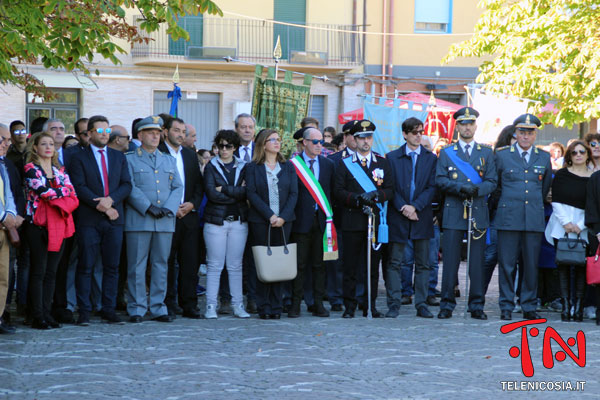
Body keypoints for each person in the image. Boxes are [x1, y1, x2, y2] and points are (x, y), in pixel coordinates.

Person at [69, 115, 133, 325]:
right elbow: (79, 186)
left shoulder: (118, 157)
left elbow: (126, 185)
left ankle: (108, 309)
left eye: (107, 131)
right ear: (89, 133)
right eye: (100, 131)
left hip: (115, 219)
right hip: (89, 219)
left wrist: (111, 200)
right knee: (86, 266)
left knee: (112, 267)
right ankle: (84, 311)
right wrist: (104, 207)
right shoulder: (78, 157)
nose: (105, 135)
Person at [435, 107, 497, 320]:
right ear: (458, 127)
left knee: (477, 262)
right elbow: (440, 180)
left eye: (470, 123)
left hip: (477, 211)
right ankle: (446, 304)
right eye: (463, 124)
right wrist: (460, 188)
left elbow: (492, 181)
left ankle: (477, 304)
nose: (467, 127)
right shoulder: (446, 153)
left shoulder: (486, 152)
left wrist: (477, 190)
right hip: (454, 211)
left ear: (475, 126)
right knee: (450, 261)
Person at [124, 116, 183, 323]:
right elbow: (129, 185)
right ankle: (137, 307)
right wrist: (147, 207)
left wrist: (167, 208)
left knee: (161, 264)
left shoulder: (168, 159)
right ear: (140, 135)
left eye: (158, 133)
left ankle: (158, 307)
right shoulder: (129, 158)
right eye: (150, 132)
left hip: (164, 220)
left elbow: (178, 186)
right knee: (137, 266)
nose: (155, 136)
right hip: (139, 219)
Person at [334, 120, 393, 318]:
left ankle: (369, 304)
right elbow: (339, 191)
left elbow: (390, 189)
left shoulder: (382, 163)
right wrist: (357, 199)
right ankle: (349, 306)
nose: (365, 142)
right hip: (353, 220)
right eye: (361, 138)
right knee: (350, 266)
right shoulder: (344, 165)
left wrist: (376, 196)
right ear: (354, 140)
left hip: (375, 222)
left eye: (368, 137)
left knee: (371, 267)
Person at [495, 113, 552, 321]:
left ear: (535, 135)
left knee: (530, 265)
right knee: (507, 264)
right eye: (522, 132)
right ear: (515, 133)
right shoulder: (502, 155)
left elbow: (544, 186)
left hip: (533, 219)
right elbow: (497, 186)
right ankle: (506, 305)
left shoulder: (544, 157)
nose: (525, 136)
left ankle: (528, 304)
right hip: (509, 217)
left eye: (530, 132)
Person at [23, 132, 78, 329]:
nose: (48, 147)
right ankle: (37, 315)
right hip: (37, 226)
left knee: (51, 272)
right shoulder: (31, 168)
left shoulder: (60, 169)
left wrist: (59, 192)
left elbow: (73, 193)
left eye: (51, 144)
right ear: (35, 147)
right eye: (43, 144)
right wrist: (61, 192)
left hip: (59, 224)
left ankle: (47, 313)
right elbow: (44, 192)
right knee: (39, 271)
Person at [386, 118, 437, 318]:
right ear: (405, 134)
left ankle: (421, 304)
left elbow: (432, 187)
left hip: (421, 216)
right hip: (398, 216)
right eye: (414, 132)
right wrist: (403, 207)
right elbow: (390, 187)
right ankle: (394, 303)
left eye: (421, 132)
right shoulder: (392, 157)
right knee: (395, 262)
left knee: (423, 263)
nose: (418, 135)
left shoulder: (431, 158)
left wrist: (415, 206)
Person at [245, 129, 298, 319]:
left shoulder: (288, 166)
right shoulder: (253, 167)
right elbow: (251, 193)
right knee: (263, 263)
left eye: (279, 140)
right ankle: (263, 306)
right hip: (261, 220)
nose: (277, 143)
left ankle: (277, 306)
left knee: (279, 263)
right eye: (272, 139)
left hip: (285, 221)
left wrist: (282, 216)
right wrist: (270, 215)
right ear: (263, 143)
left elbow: (294, 194)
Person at [159, 117, 204, 319]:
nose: (180, 134)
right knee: (166, 262)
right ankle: (168, 303)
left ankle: (189, 304)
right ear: (165, 132)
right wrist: (172, 207)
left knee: (190, 262)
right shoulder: (157, 153)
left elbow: (198, 185)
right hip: (166, 215)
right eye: (176, 130)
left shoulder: (190, 155)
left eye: (183, 131)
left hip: (189, 215)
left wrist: (192, 204)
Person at [202, 130, 250, 319]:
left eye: (228, 146)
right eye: (220, 146)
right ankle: (210, 306)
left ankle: (238, 305)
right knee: (214, 265)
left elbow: (247, 193)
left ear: (235, 147)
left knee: (235, 265)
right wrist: (237, 193)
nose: (224, 150)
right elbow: (212, 195)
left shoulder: (244, 166)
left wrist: (227, 190)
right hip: (216, 222)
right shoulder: (211, 166)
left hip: (238, 221)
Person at [288, 127, 335, 318]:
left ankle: (317, 303)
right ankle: (295, 304)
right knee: (298, 265)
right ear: (304, 142)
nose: (319, 145)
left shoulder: (328, 164)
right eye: (315, 142)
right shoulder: (292, 165)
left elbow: (330, 194)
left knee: (319, 265)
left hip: (322, 222)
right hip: (300, 222)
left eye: (321, 141)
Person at [545, 140, 593, 321]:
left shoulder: (593, 177)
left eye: (582, 152)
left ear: (587, 154)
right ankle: (566, 306)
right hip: (561, 226)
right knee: (563, 267)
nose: (579, 155)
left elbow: (594, 204)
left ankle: (579, 307)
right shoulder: (562, 175)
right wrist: (566, 223)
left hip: (584, 227)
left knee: (581, 268)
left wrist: (580, 225)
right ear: (569, 156)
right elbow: (555, 201)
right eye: (574, 152)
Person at [0, 125, 18, 334]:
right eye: (2, 139)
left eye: (7, 140)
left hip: (5, 228)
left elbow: (9, 194)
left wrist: (11, 213)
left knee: (4, 275)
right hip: (2, 222)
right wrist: (4, 216)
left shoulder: (3, 165)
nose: (6, 144)